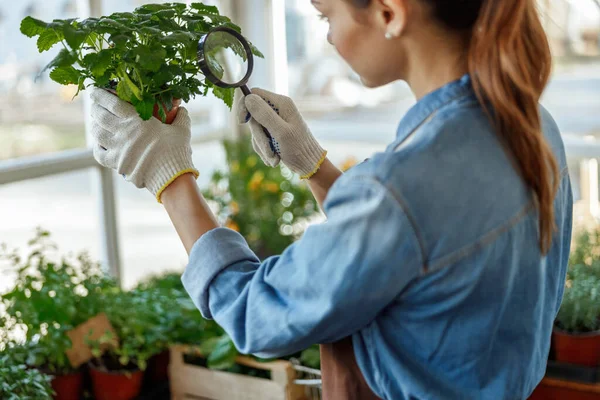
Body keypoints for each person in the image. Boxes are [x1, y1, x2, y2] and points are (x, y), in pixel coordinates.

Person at [88, 0, 573, 398]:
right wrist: (313, 164)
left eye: (326, 16)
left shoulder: (399, 191)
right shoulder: (530, 122)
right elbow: (416, 247)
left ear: (389, 13)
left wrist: (170, 179)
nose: (326, 37)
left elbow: (258, 312)